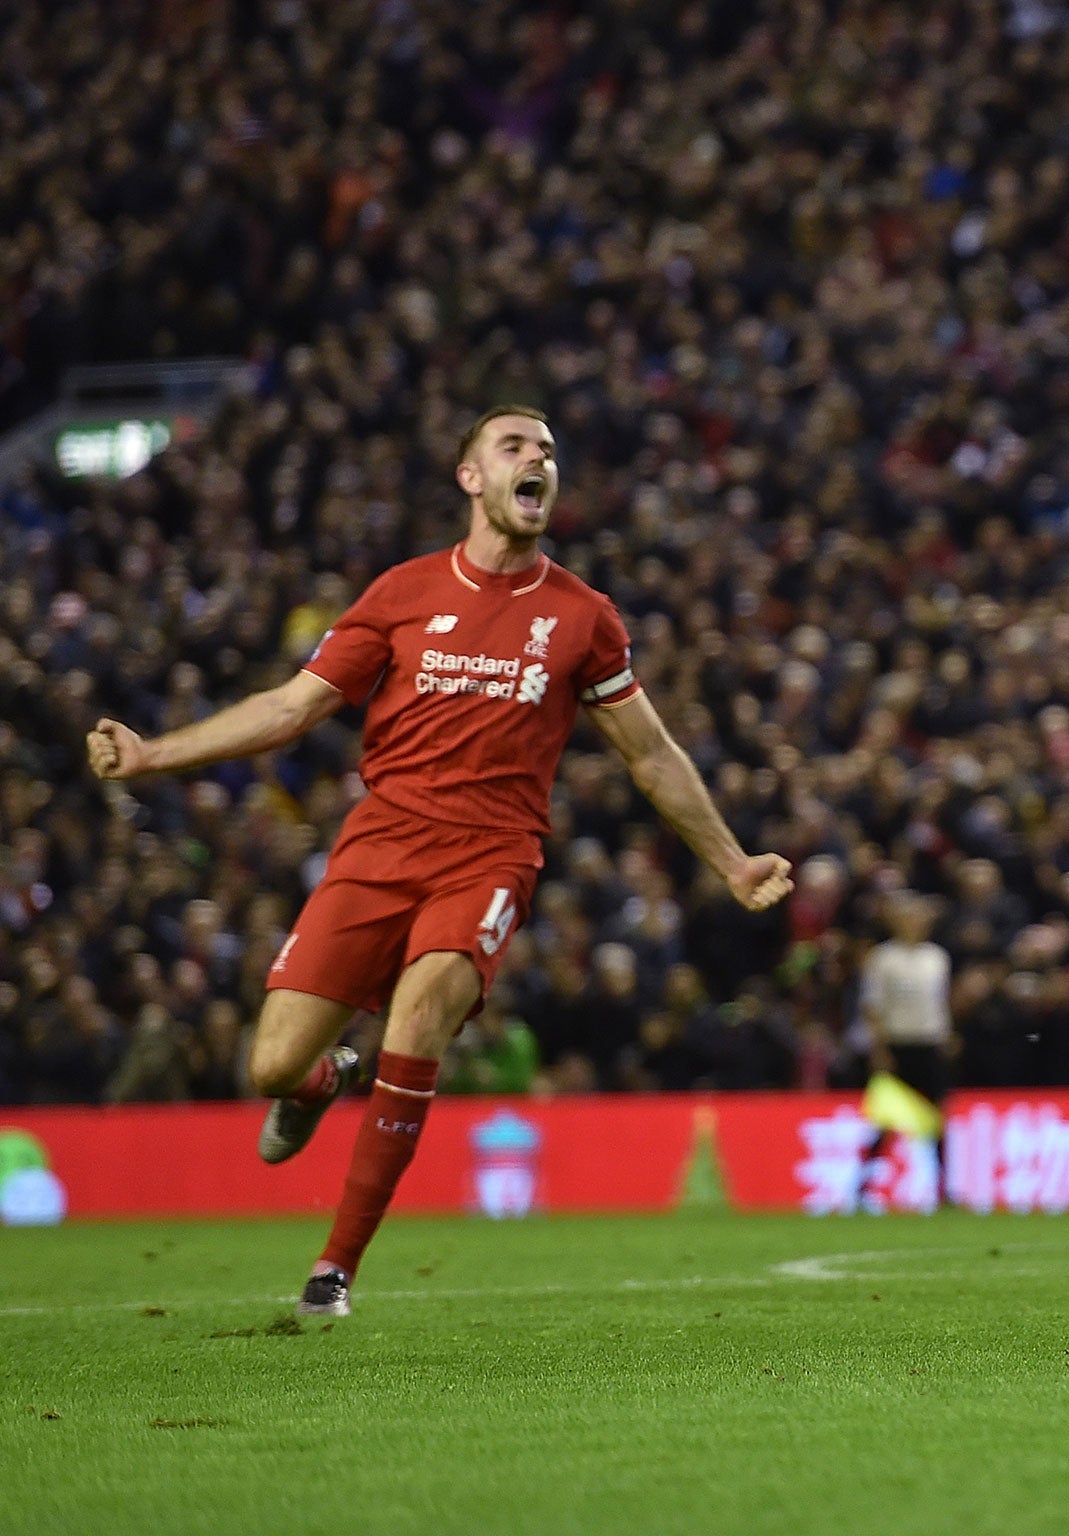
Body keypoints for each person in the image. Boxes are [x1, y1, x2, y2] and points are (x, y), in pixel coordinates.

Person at [85, 406, 793, 1317]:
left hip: (492, 856)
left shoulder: (582, 618)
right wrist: (154, 755)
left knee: (419, 1016)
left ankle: (332, 1272)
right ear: (471, 478)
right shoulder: (403, 593)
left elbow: (649, 754)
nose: (539, 459)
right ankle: (324, 1078)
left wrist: (730, 861)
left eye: (548, 450)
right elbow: (288, 709)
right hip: (380, 843)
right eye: (516, 447)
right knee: (268, 1067)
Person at [856, 892, 955, 1207]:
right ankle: (863, 1186)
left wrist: (947, 1033)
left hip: (929, 1043)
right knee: (885, 1121)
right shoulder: (883, 959)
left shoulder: (937, 957)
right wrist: (879, 1048)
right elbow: (872, 1008)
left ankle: (943, 1189)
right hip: (898, 1045)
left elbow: (941, 1001)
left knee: (937, 1120)